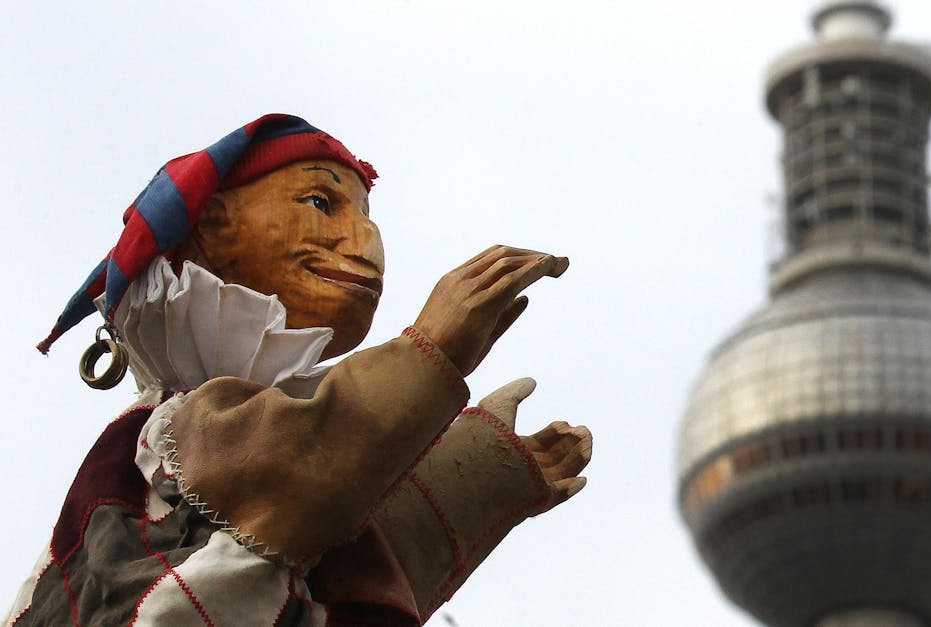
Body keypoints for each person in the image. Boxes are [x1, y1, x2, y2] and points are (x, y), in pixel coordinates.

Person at [10, 114, 593, 626]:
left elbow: (363, 559)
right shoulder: (178, 429)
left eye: (366, 215)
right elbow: (299, 473)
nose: (367, 239)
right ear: (213, 226)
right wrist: (432, 352)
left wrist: (485, 470)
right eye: (321, 203)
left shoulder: (296, 457)